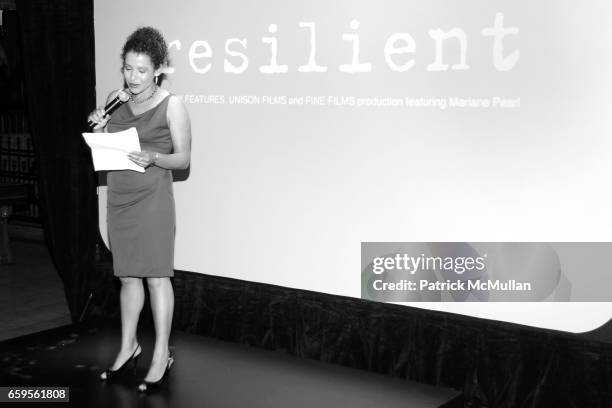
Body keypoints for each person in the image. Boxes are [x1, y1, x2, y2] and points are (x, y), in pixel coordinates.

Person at [87, 26, 191, 393]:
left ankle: (161, 352)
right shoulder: (117, 97)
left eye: (142, 70)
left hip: (152, 199)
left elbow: (184, 159)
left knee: (156, 277)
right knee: (128, 277)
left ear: (159, 69)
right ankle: (129, 345)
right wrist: (99, 128)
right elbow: (108, 146)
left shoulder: (172, 104)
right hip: (119, 195)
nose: (133, 77)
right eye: (128, 68)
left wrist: (154, 157)